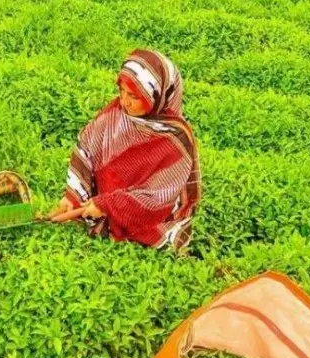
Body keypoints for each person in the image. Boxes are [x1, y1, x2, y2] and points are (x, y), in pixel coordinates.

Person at [49, 49, 201, 251]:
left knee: (150, 232)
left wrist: (108, 205)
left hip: (151, 213)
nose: (124, 101)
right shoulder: (115, 114)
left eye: (134, 96)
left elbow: (157, 197)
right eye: (121, 91)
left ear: (159, 95)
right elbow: (86, 149)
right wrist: (74, 196)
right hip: (105, 199)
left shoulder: (176, 139)